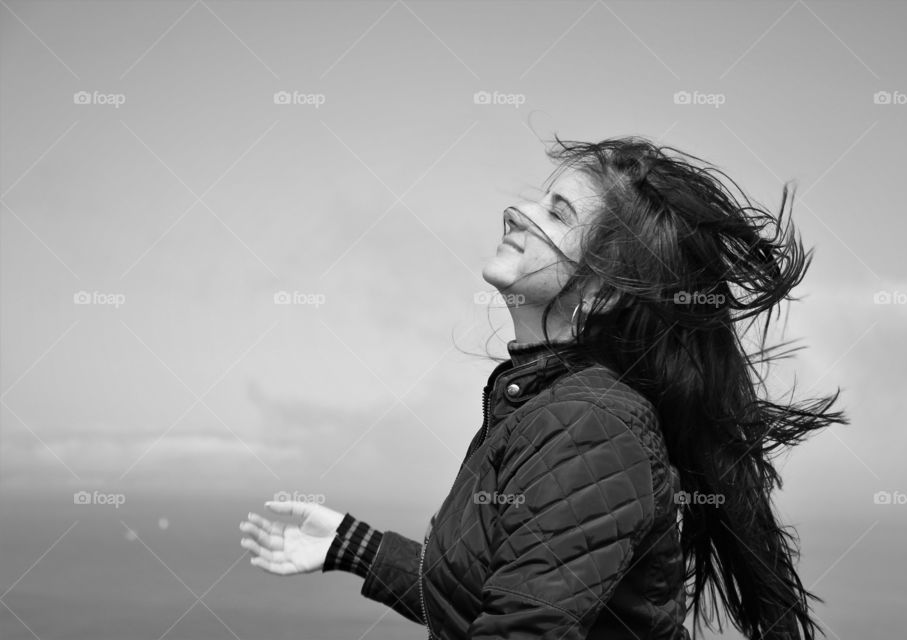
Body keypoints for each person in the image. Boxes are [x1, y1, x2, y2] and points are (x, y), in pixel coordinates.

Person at [239, 135, 848, 639]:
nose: (517, 213)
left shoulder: (590, 426)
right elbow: (489, 594)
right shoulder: (543, 405)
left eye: (558, 213)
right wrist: (356, 548)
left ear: (604, 290)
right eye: (539, 201)